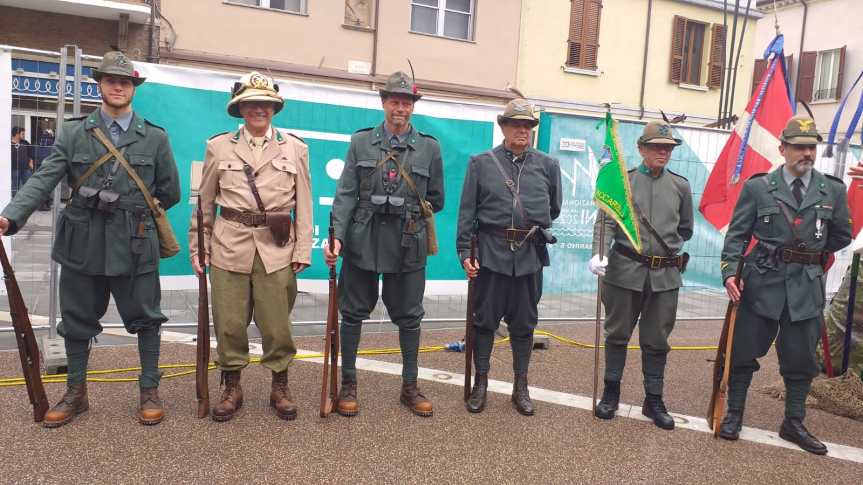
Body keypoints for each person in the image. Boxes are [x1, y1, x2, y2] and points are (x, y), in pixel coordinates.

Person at [0, 51, 180, 427]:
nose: (118, 87)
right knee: (77, 320)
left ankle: (149, 389)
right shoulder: (73, 132)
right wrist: (11, 215)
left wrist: (135, 208)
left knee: (147, 318)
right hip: (82, 242)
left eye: (125, 81)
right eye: (111, 80)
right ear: (99, 84)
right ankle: (76, 392)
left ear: (133, 88)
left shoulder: (156, 138)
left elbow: (170, 190)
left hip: (134, 241)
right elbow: (43, 179)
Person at [719, 116, 851, 454]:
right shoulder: (758, 187)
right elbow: (737, 235)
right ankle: (734, 413)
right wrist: (731, 272)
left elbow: (840, 235)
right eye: (799, 147)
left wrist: (807, 257)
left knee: (800, 358)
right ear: (783, 149)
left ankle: (793, 421)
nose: (806, 153)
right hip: (761, 282)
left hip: (806, 287)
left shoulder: (832, 190)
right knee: (744, 351)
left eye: (811, 147)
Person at [189, 71, 312, 422]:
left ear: (274, 109)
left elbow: (304, 202)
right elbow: (204, 202)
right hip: (230, 243)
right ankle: (232, 386)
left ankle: (280, 386)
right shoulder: (218, 146)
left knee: (277, 324)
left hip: (276, 248)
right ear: (240, 109)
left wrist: (302, 249)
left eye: (265, 104)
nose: (259, 109)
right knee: (229, 322)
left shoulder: (296, 148)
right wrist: (199, 246)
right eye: (251, 104)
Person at [323, 71, 444, 417]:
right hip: (363, 241)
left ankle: (410, 385)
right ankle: (348, 383)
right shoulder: (361, 143)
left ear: (412, 107)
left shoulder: (430, 148)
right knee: (353, 314)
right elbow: (345, 195)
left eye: (406, 103)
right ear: (384, 104)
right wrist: (338, 240)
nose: (400, 108)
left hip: (408, 242)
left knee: (409, 317)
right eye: (394, 102)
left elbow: (436, 198)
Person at [456, 97, 562, 415]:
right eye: (516, 124)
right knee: (484, 322)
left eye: (527, 126)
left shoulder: (548, 165)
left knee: (525, 325)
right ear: (503, 127)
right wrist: (464, 252)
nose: (522, 130)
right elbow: (466, 213)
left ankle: (521, 387)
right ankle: (481, 383)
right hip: (490, 254)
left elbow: (553, 208)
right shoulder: (481, 163)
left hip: (529, 257)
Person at [589, 120, 693, 429]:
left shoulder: (680, 186)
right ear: (641, 149)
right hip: (625, 271)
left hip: (664, 276)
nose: (663, 152)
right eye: (656, 147)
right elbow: (606, 222)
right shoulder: (623, 182)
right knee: (617, 334)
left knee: (657, 339)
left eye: (668, 148)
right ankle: (611, 393)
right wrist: (600, 252)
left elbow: (685, 228)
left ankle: (654, 399)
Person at [10, 127, 34, 195]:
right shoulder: (9, 144)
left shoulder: (25, 142)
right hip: (14, 169)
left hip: (26, 169)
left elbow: (31, 153)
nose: (24, 135)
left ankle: (27, 201)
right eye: (22, 134)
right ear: (17, 134)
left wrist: (31, 161)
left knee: (28, 187)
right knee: (15, 188)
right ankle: (15, 202)